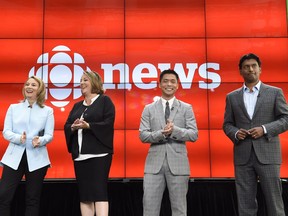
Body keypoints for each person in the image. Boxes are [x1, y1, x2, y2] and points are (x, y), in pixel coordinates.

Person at [223, 53, 288, 216]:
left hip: (268, 155)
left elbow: (286, 119)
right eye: (246, 66)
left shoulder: (275, 92)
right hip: (243, 155)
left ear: (260, 69)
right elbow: (227, 124)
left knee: (274, 202)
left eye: (253, 66)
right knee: (245, 203)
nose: (250, 69)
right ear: (240, 71)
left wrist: (265, 129)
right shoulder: (231, 97)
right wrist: (236, 133)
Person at [139, 69, 198, 216]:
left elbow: (193, 134)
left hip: (179, 165)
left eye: (172, 81)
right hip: (153, 166)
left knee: (179, 210)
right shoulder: (149, 109)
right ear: (159, 84)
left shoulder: (186, 108)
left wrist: (175, 131)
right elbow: (143, 135)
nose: (169, 84)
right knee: (149, 210)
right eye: (165, 81)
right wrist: (161, 134)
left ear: (177, 85)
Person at [0, 76, 54, 216]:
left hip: (37, 158)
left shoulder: (47, 111)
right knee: (3, 195)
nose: (29, 87)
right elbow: (6, 132)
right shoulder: (13, 108)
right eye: (27, 84)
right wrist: (19, 138)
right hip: (14, 157)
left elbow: (49, 135)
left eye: (33, 85)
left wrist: (40, 140)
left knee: (32, 199)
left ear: (40, 89)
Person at [64, 70, 115, 216]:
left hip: (99, 154)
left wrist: (89, 126)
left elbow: (108, 123)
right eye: (81, 80)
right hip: (80, 156)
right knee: (85, 195)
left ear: (94, 82)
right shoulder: (77, 106)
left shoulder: (105, 101)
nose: (81, 83)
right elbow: (67, 125)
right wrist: (72, 127)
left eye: (85, 80)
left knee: (99, 193)